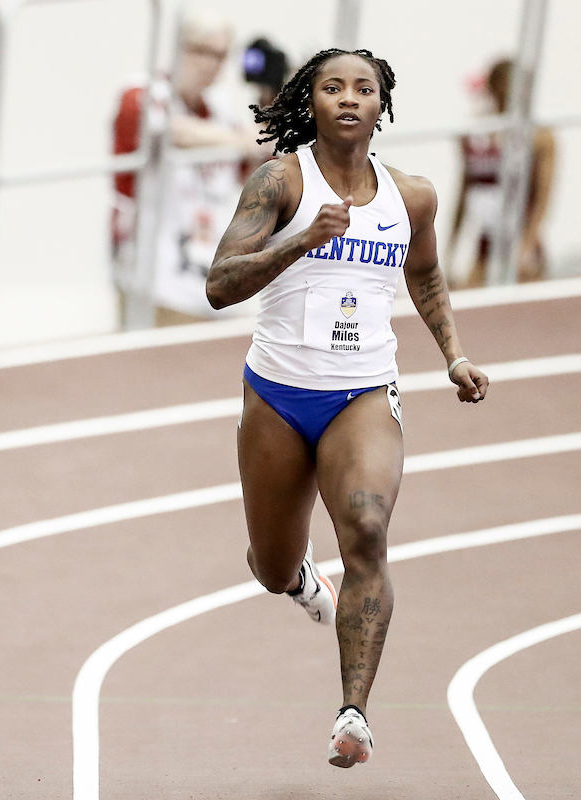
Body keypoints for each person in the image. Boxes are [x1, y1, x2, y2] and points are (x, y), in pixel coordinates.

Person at [205, 48, 489, 768]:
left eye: (364, 88)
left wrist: (452, 353)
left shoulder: (412, 196)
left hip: (362, 390)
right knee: (270, 565)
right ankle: (298, 579)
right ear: (313, 101)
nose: (349, 99)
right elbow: (219, 284)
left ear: (380, 106)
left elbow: (424, 274)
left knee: (365, 526)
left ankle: (354, 712)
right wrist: (302, 240)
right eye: (333, 87)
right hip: (277, 392)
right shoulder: (278, 181)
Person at [111, 13, 260, 326]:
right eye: (202, 51)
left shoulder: (220, 109)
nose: (212, 64)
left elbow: (253, 168)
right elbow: (170, 131)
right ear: (178, 48)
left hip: (208, 274)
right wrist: (242, 140)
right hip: (152, 274)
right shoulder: (142, 91)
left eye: (221, 55)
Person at [449, 58, 556, 286]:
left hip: (522, 240)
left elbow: (544, 197)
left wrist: (526, 245)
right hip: (486, 244)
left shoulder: (540, 137)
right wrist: (450, 251)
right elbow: (462, 194)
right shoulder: (475, 135)